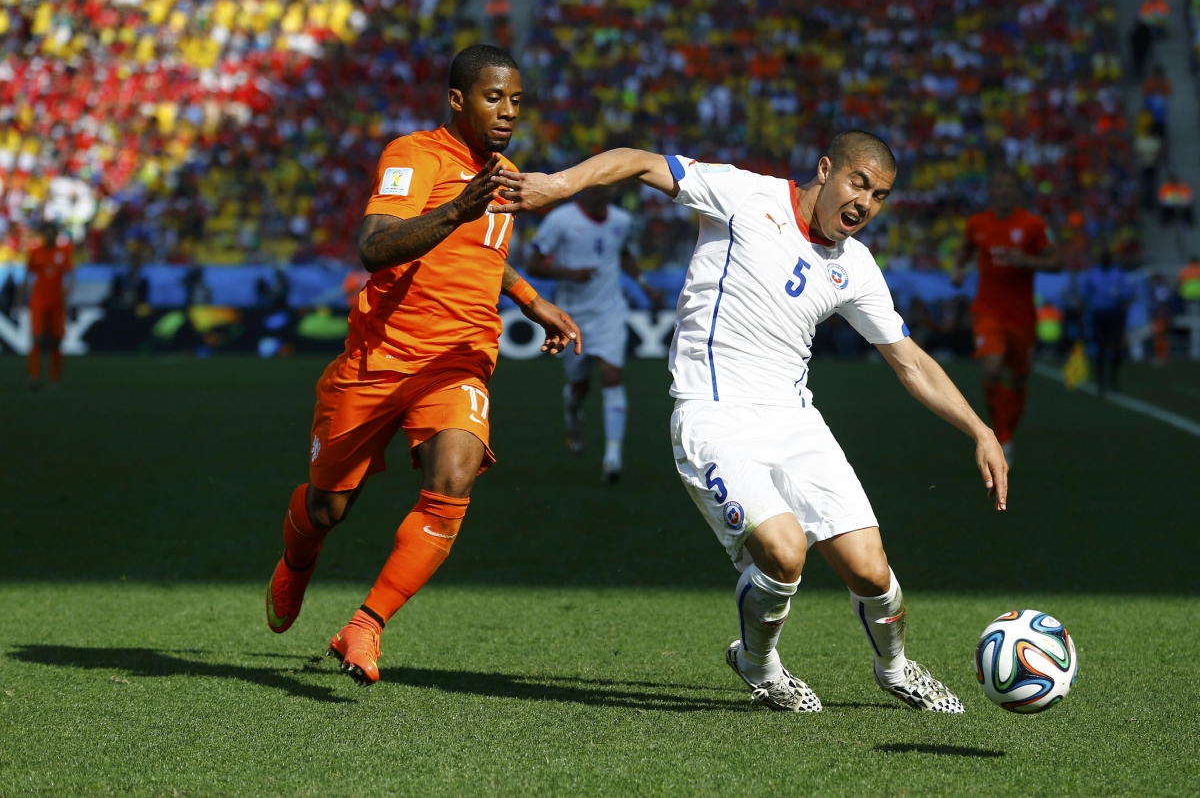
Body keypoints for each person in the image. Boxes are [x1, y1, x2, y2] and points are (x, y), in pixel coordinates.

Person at [491, 131, 1008, 713]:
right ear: (825, 168)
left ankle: (895, 667)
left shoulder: (856, 267)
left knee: (871, 571)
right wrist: (558, 185)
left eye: (881, 195)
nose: (866, 203)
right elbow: (637, 162)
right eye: (858, 183)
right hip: (714, 417)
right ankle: (759, 663)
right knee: (785, 553)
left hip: (795, 421)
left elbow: (910, 362)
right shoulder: (743, 195)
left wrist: (981, 431)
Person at [264, 45, 582, 686]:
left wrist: (531, 299)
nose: (508, 112)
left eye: (516, 99)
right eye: (494, 97)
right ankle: (298, 560)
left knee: (456, 479)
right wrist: (458, 207)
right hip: (380, 359)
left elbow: (482, 253)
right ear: (458, 99)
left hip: (459, 359)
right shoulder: (414, 156)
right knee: (328, 508)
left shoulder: (507, 174)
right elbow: (375, 245)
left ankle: (366, 624)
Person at [525, 186, 661, 481]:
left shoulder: (621, 221)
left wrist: (644, 283)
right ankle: (573, 415)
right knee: (580, 386)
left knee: (612, 375)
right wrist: (568, 273)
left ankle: (612, 458)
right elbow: (532, 265)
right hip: (571, 315)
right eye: (590, 189)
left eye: (602, 188)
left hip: (610, 311)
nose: (595, 193)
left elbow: (623, 254)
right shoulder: (560, 219)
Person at [953, 167, 1060, 463]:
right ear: (991, 192)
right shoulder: (977, 223)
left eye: (1008, 186)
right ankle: (1001, 436)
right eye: (997, 186)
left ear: (1017, 192)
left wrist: (1027, 260)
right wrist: (959, 267)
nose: (1003, 191)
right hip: (988, 310)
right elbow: (965, 249)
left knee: (1019, 379)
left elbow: (1057, 260)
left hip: (1022, 315)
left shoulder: (1033, 225)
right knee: (991, 368)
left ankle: (1006, 432)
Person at [18, 223, 74, 388]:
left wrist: (68, 292)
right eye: (47, 233)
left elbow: (70, 276)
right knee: (37, 338)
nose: (50, 237)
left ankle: (54, 379)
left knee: (56, 340)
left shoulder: (63, 252)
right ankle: (34, 377)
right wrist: (19, 300)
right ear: (42, 235)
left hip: (57, 302)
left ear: (56, 235)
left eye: (52, 233)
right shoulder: (35, 252)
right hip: (39, 301)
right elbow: (27, 278)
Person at [1080, 253, 1132, 393]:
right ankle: (1101, 381)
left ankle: (1113, 378)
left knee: (1116, 348)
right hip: (1099, 314)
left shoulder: (1118, 274)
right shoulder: (1093, 274)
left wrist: (1123, 310)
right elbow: (1085, 294)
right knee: (1101, 348)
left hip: (1114, 314)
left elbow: (1127, 293)